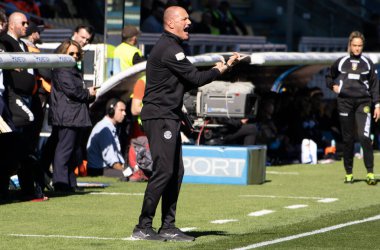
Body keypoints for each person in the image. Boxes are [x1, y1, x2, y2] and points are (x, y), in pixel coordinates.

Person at [131, 5, 240, 241]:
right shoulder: (170, 49)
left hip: (167, 116)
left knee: (175, 171)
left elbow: (187, 81)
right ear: (171, 23)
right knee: (164, 171)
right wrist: (219, 69)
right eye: (185, 18)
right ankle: (143, 226)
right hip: (159, 116)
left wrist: (220, 69)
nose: (190, 22)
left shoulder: (172, 47)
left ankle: (168, 226)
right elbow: (195, 78)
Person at [0, 12, 48, 201]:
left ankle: (27, 189)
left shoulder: (23, 44)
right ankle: (20, 188)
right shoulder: (5, 42)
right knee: (17, 142)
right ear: (11, 25)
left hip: (25, 97)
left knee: (23, 145)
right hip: (12, 98)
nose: (27, 25)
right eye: (23, 22)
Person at [326, 31, 380, 185]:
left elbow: (375, 86)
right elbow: (328, 76)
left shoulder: (368, 63)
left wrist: (377, 104)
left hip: (364, 103)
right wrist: (333, 86)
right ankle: (349, 173)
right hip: (345, 102)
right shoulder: (341, 62)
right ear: (350, 45)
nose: (357, 48)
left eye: (360, 46)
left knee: (364, 137)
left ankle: (370, 173)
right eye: (354, 45)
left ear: (363, 46)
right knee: (348, 139)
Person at [49, 40, 97, 192]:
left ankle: (70, 183)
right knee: (64, 150)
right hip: (67, 115)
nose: (75, 56)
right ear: (63, 53)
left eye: (77, 54)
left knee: (72, 152)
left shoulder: (71, 70)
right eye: (71, 53)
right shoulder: (63, 70)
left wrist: (89, 94)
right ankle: (60, 183)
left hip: (73, 115)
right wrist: (88, 93)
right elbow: (73, 92)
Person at [86, 98, 127, 177]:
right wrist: (124, 170)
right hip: (99, 170)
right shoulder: (105, 129)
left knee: (132, 172)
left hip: (105, 168)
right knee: (127, 175)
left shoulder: (110, 127)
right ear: (111, 111)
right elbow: (112, 160)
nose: (124, 113)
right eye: (121, 110)